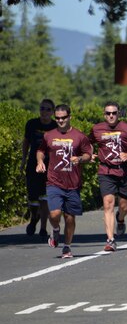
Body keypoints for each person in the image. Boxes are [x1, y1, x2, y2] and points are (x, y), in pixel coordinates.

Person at [36, 104, 93, 259]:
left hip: (73, 183)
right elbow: (40, 150)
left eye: (63, 118)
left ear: (70, 117)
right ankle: (55, 230)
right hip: (54, 182)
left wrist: (80, 159)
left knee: (70, 217)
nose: (60, 120)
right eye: (58, 118)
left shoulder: (79, 136)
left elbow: (88, 154)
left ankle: (67, 247)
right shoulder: (49, 135)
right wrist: (40, 161)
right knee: (54, 213)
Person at [88, 101, 127, 252]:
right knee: (108, 203)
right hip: (106, 171)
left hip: (125, 171)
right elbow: (88, 143)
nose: (111, 116)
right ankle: (110, 239)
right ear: (104, 115)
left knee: (124, 206)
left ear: (119, 114)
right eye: (108, 113)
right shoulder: (97, 129)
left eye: (114, 113)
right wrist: (89, 153)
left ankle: (121, 219)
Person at [21, 99, 56, 239]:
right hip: (33, 165)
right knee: (33, 198)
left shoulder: (55, 126)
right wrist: (23, 160)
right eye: (42, 108)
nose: (44, 112)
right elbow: (26, 142)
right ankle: (34, 218)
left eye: (48, 109)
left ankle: (43, 228)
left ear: (52, 112)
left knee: (45, 197)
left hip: (50, 166)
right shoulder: (31, 124)